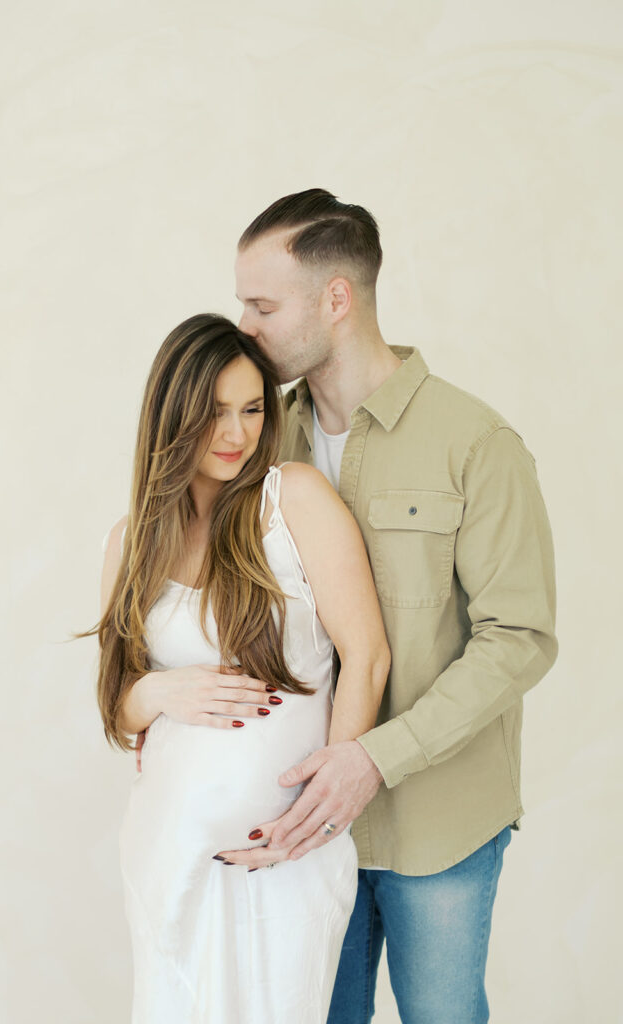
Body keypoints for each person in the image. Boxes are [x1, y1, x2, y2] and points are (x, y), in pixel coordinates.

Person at [217, 189, 559, 1024]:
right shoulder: (256, 444)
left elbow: (520, 638)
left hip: (439, 824)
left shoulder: (477, 444)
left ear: (337, 299)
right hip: (297, 819)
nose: (245, 329)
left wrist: (376, 757)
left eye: (262, 306)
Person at [88, 313, 391, 1023]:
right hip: (169, 849)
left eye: (252, 409)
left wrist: (320, 811)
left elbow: (367, 655)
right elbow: (116, 706)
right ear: (173, 415)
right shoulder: (130, 543)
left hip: (284, 855)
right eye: (214, 413)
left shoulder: (293, 501)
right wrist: (161, 688)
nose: (236, 434)